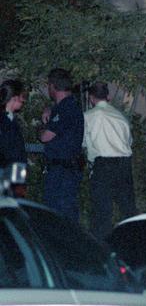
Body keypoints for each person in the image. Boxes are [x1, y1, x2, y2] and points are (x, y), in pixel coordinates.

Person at [83, 82, 136, 241]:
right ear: (108, 97)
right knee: (128, 209)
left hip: (103, 165)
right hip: (124, 165)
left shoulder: (88, 116)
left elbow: (83, 142)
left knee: (101, 212)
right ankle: (134, 243)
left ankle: (101, 249)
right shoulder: (120, 116)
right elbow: (129, 141)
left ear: (91, 98)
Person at [40, 68, 85, 222]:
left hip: (63, 171)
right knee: (63, 212)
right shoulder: (68, 107)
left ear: (53, 86)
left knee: (59, 214)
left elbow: (46, 137)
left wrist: (43, 124)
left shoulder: (66, 108)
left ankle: (67, 245)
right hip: (65, 169)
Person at [0, 79, 28, 197]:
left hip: (15, 172)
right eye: (23, 96)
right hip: (8, 173)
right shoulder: (4, 121)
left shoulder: (10, 119)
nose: (24, 100)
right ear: (14, 97)